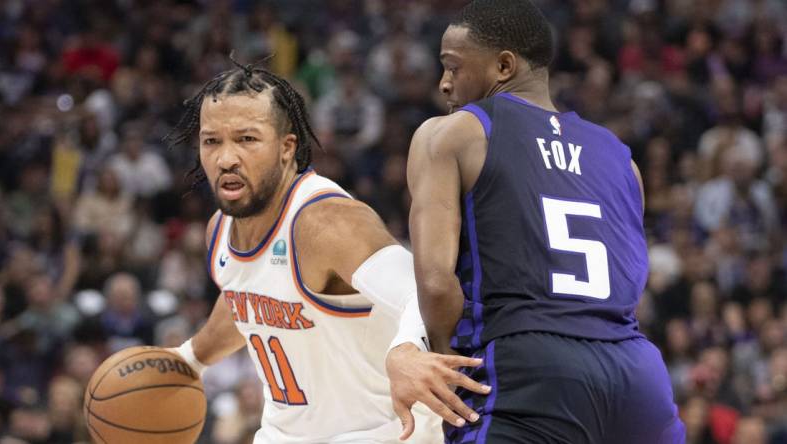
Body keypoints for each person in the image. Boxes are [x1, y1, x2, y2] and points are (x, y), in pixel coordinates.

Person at [387, 1, 686, 443]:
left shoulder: (453, 134)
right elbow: (631, 278)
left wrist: (452, 366)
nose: (444, 84)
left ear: (504, 65)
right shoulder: (622, 159)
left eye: (453, 67)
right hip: (637, 375)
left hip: (528, 369)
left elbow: (435, 280)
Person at [164, 60, 482, 443]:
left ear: (287, 148)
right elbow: (245, 301)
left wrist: (408, 347)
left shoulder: (326, 223)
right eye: (212, 141)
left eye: (247, 139)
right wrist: (189, 359)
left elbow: (420, 288)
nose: (226, 158)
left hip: (383, 434)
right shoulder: (220, 231)